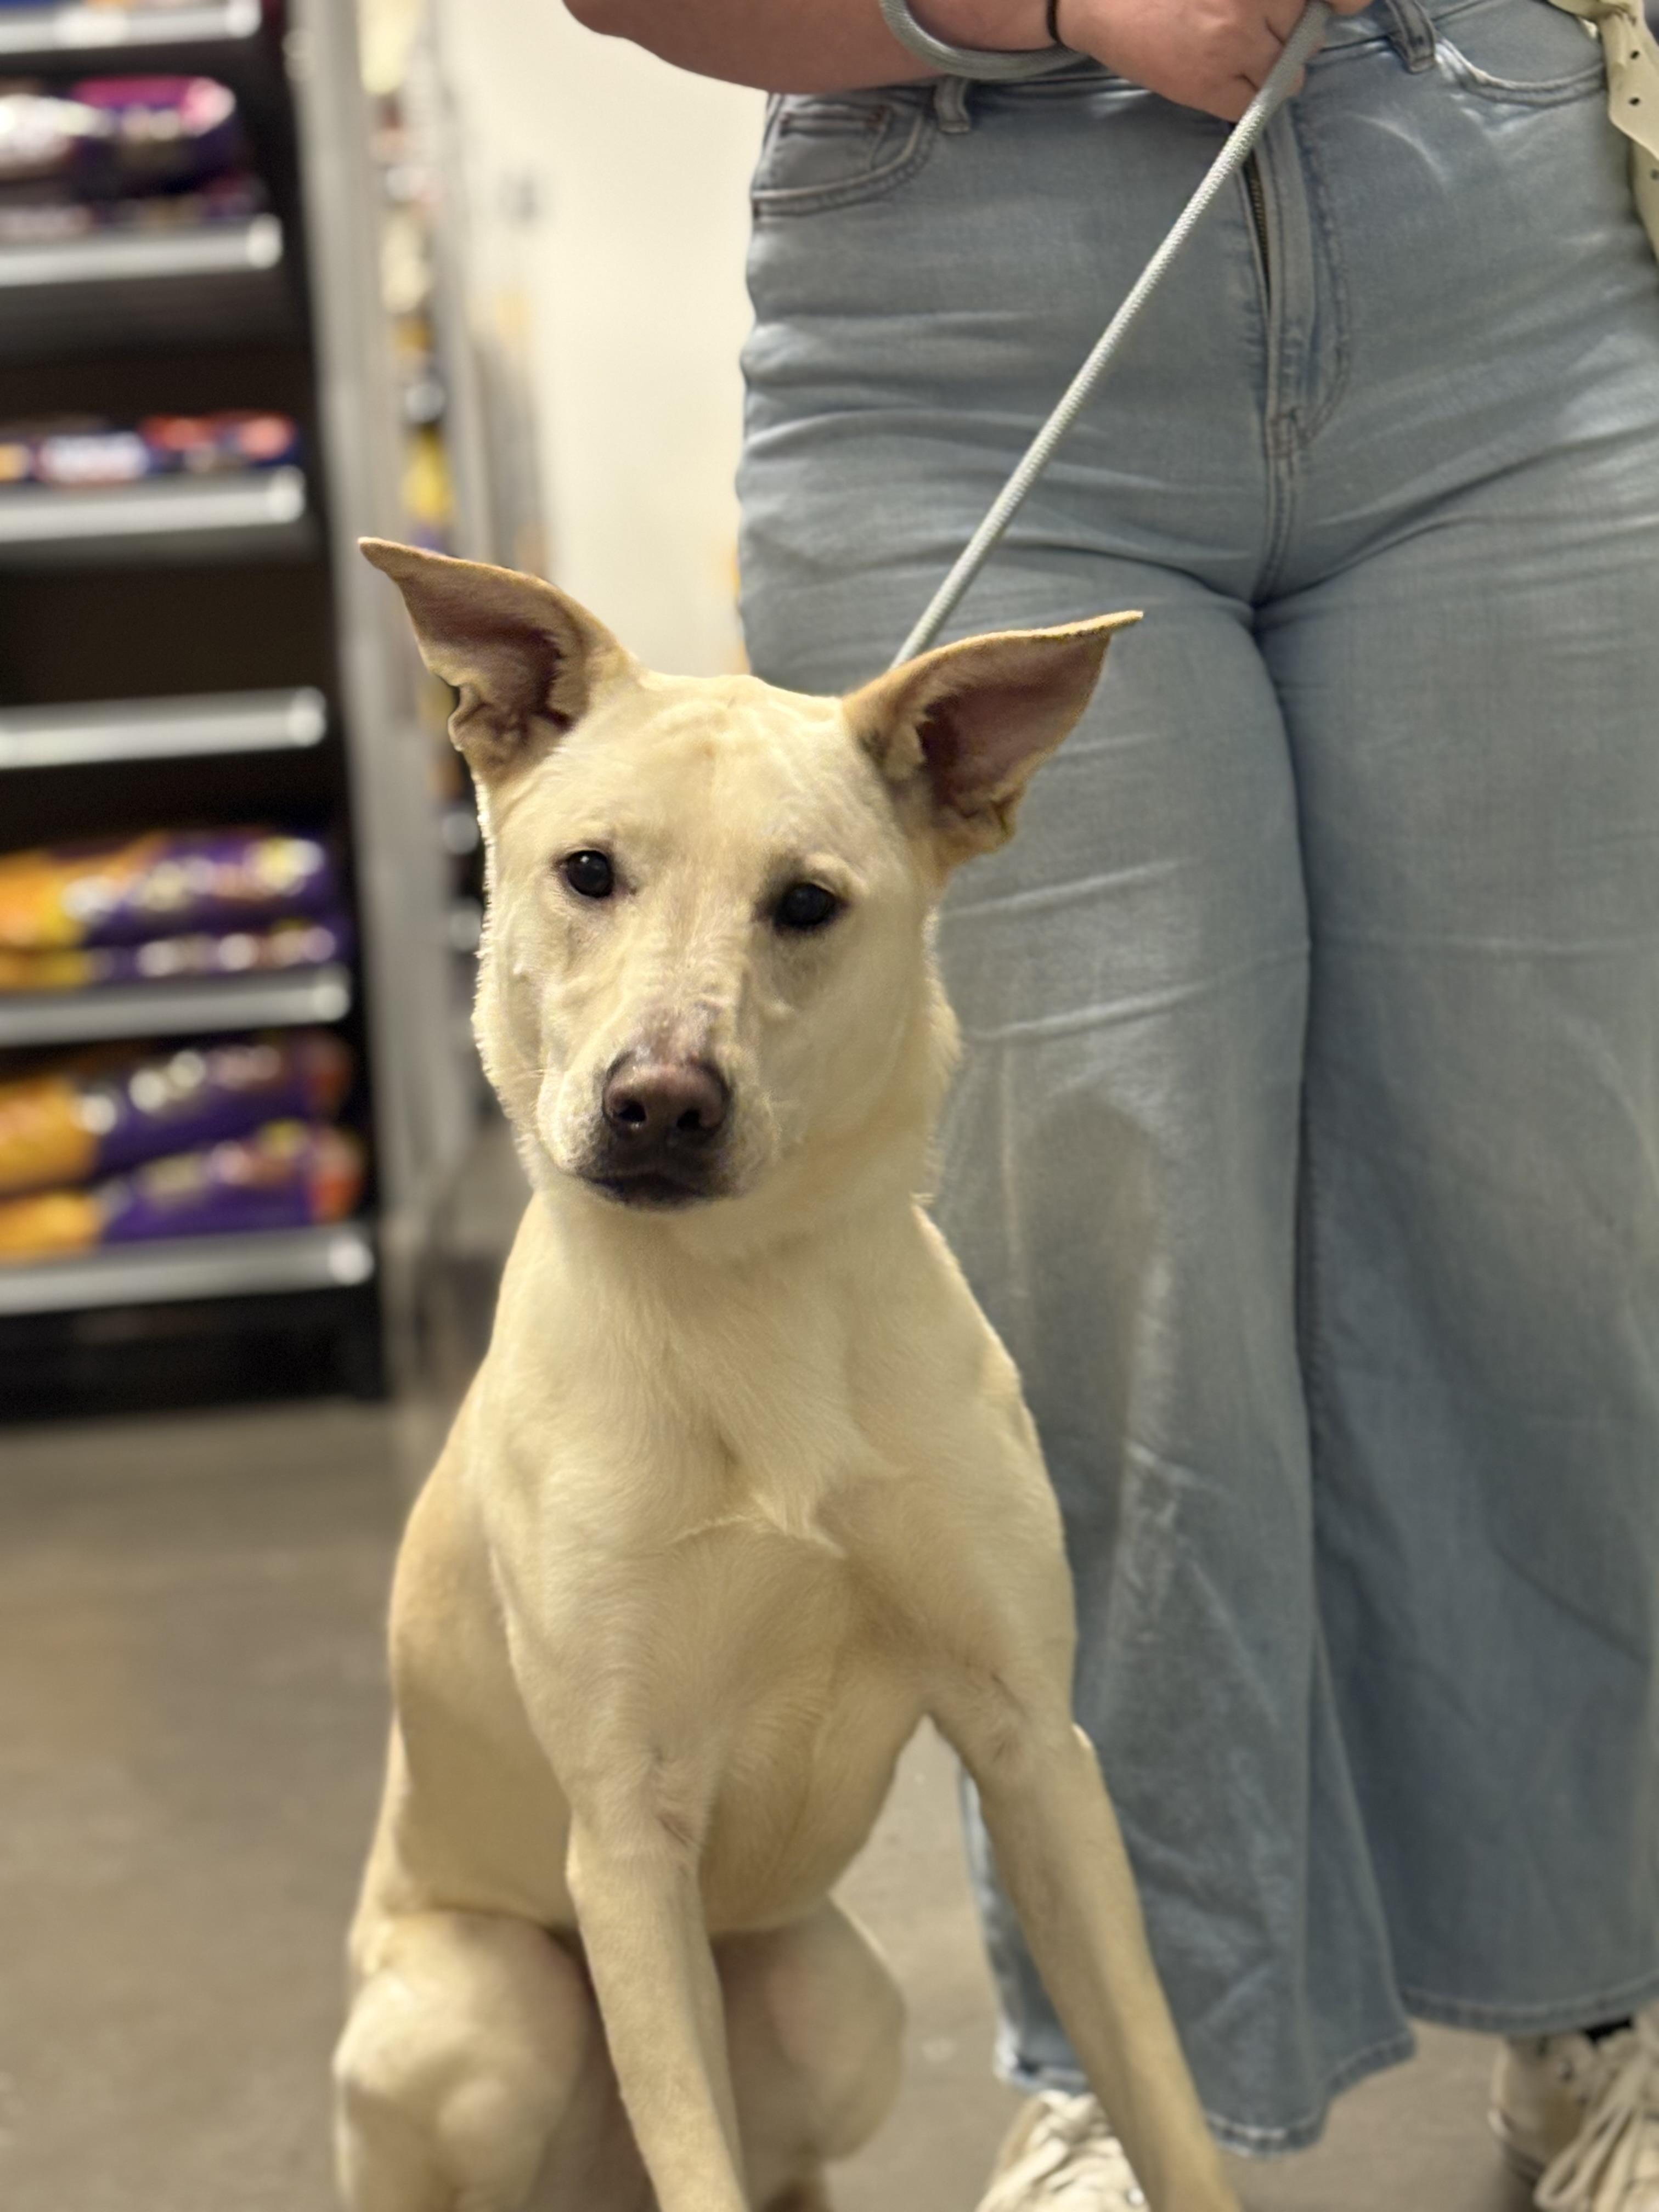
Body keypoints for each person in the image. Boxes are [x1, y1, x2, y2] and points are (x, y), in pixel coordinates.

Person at [560, 2, 1659, 2205]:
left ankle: (1605, 1991)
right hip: (960, 331)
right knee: (1102, 1265)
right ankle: (1121, 2066)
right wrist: (1057, 9)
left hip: (1505, 281)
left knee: (1563, 1222)